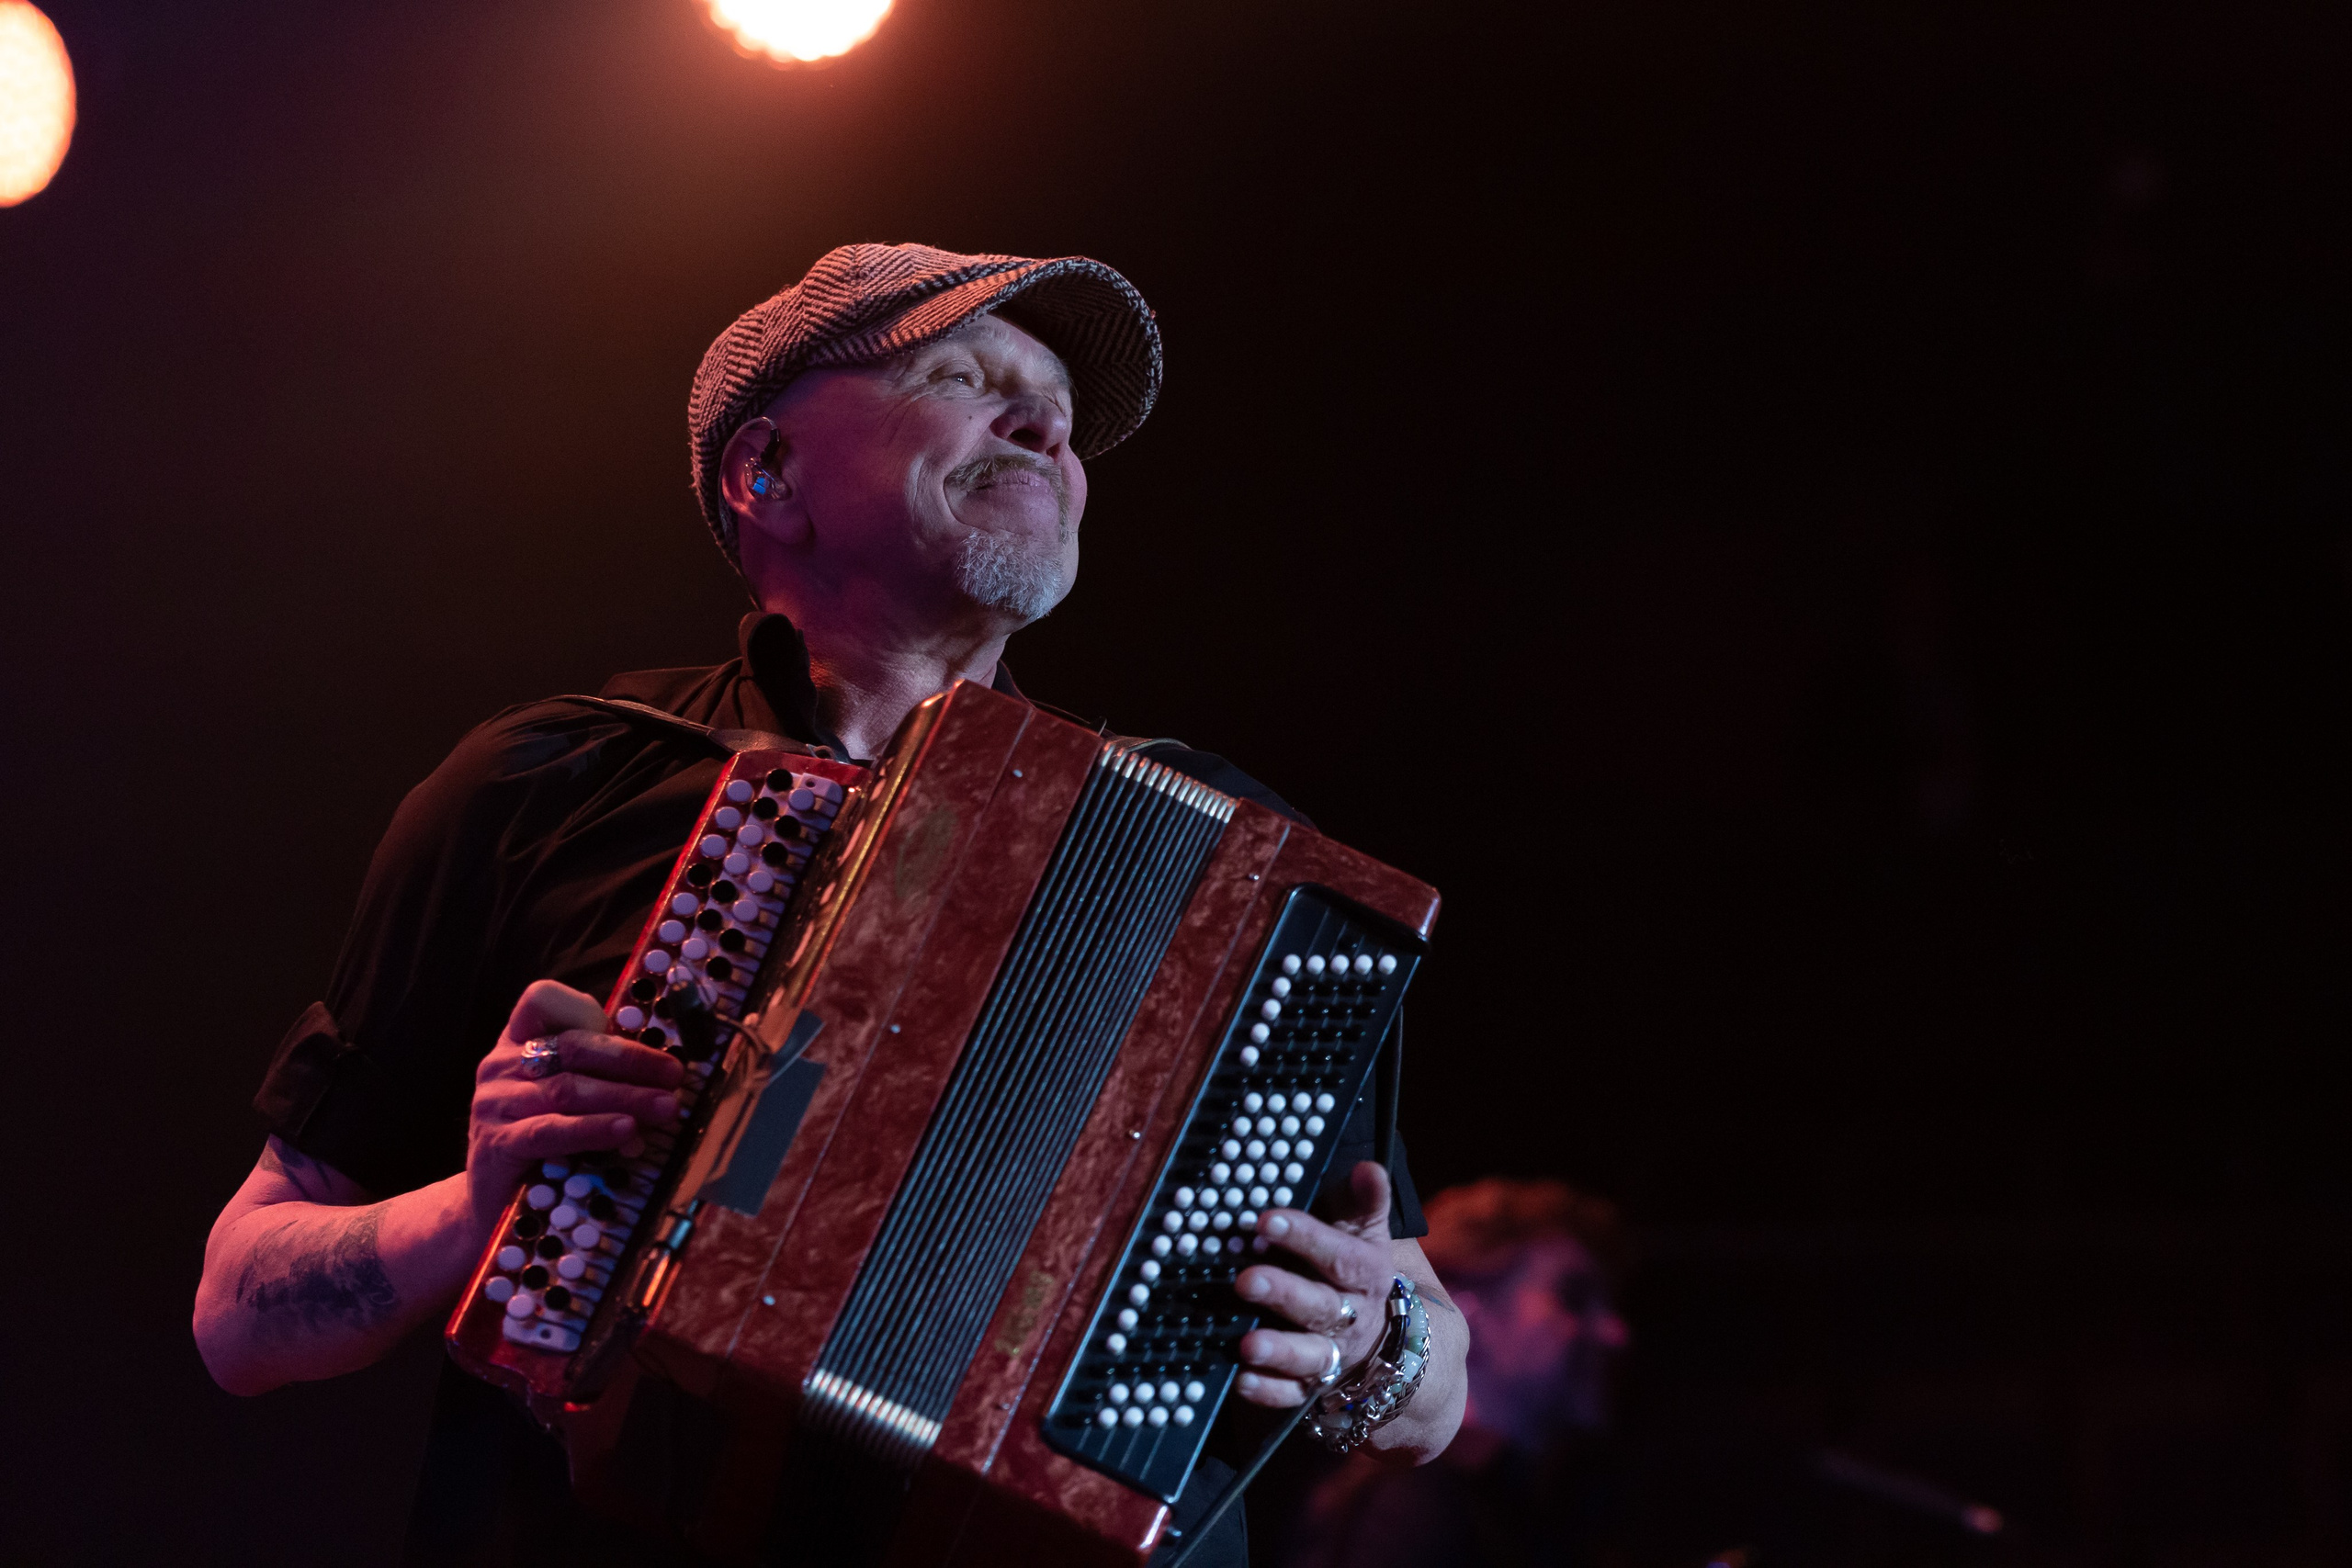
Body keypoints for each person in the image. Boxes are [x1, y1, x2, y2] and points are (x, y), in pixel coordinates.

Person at [190, 243, 1467, 1565]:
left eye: (1063, 419)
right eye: (963, 377)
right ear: (768, 474)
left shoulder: (1231, 863)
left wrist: (1383, 1334)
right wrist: (476, 1211)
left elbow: (1435, 1389)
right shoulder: (548, 782)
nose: (1041, 425)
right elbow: (241, 1309)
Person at [1284, 1179, 1628, 1568]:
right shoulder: (1411, 1511)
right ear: (1465, 1314)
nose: (1614, 1333)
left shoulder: (1512, 1507)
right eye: (1574, 1296)